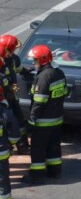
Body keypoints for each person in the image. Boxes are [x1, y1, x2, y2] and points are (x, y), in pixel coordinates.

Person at [23, 45, 67, 184]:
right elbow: (63, 93)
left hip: (43, 121)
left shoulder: (43, 77)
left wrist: (32, 119)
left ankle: (36, 175)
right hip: (57, 119)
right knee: (53, 146)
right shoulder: (59, 73)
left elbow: (39, 101)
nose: (33, 63)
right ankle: (55, 172)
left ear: (42, 60)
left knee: (38, 148)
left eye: (34, 60)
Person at [0, 35, 31, 154]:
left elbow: (18, 68)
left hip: (12, 96)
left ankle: (22, 146)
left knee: (19, 120)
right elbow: (2, 79)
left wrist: (27, 71)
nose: (14, 51)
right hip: (4, 98)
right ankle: (7, 146)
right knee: (8, 122)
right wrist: (8, 86)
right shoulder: (1, 61)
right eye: (13, 48)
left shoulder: (13, 59)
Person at [0, 86, 20, 199]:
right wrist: (10, 144)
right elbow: (15, 134)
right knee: (3, 182)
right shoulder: (6, 113)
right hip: (1, 156)